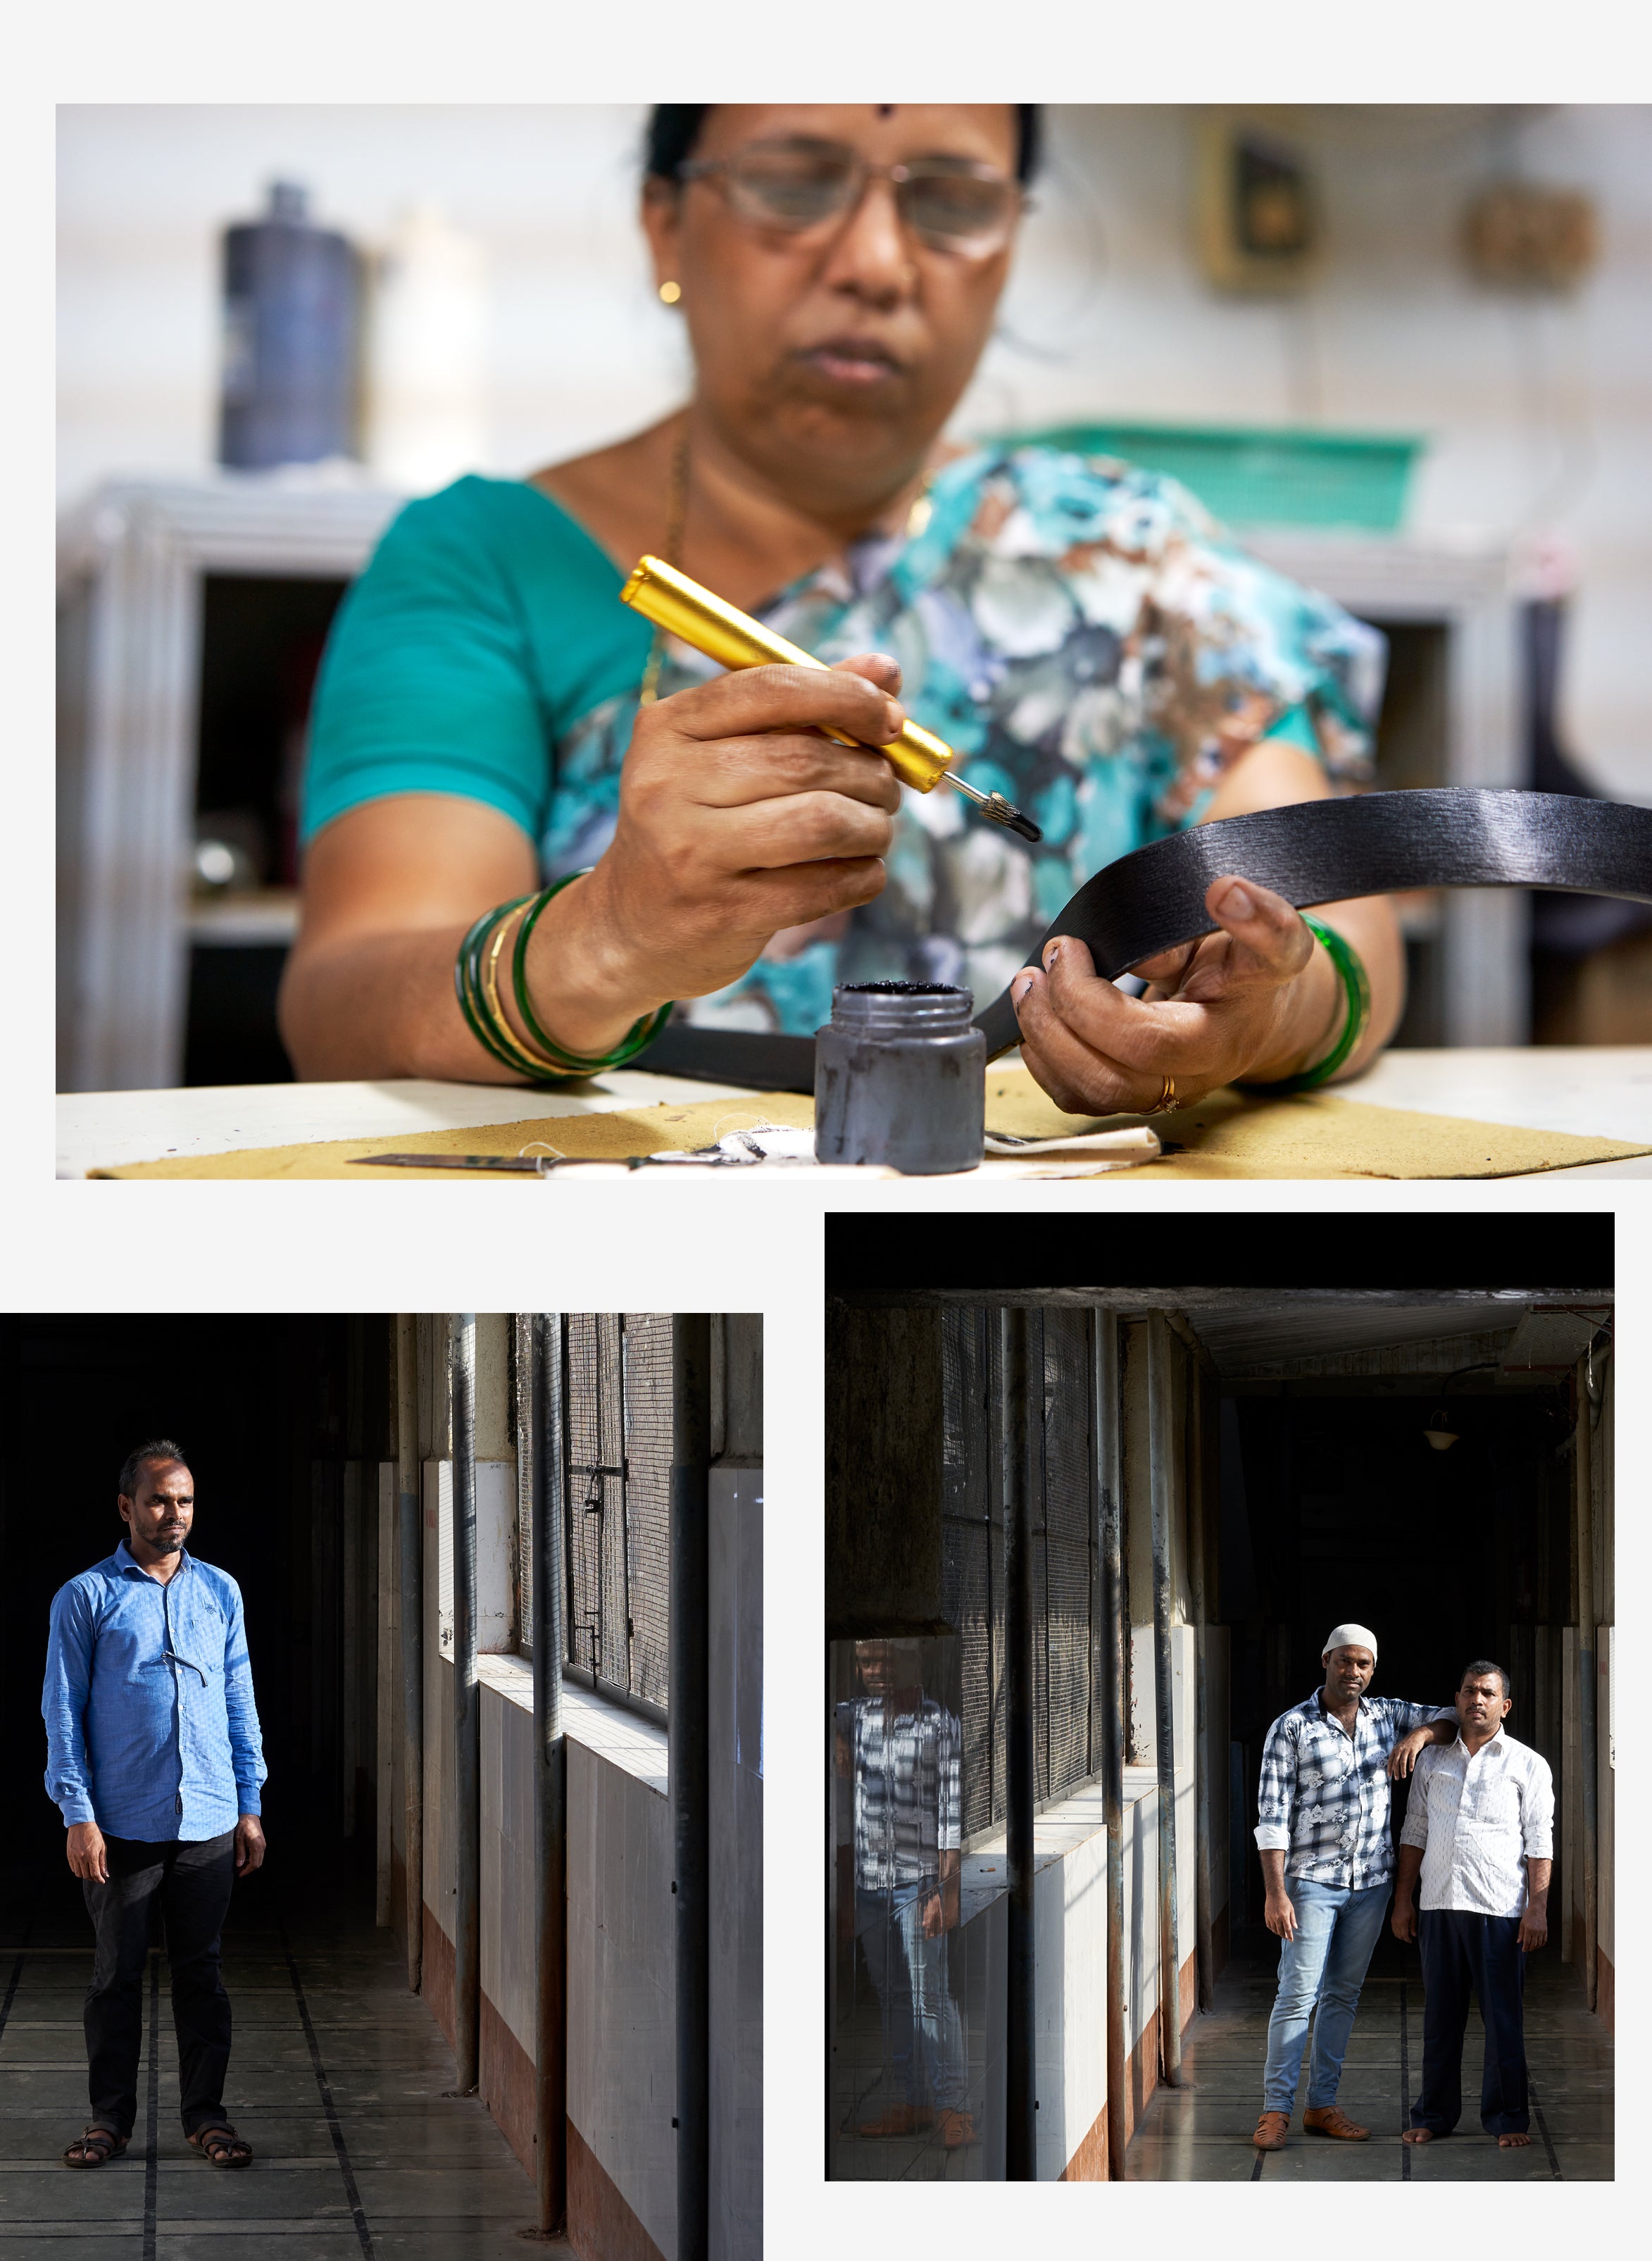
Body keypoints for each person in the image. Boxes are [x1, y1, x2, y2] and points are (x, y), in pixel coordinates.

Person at [281, 103, 1405, 1114]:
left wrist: (1261, 1013)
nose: (875, 262)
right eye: (793, 183)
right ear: (665, 226)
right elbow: (346, 997)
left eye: (953, 202)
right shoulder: (489, 561)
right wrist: (606, 939)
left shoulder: (1141, 557)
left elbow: (1344, 933)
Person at [42, 1442, 268, 2172]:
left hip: (207, 1815)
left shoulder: (221, 1592)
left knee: (202, 1973)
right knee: (116, 1977)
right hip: (121, 1825)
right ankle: (109, 2121)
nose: (175, 1515)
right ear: (127, 1507)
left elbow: (238, 1699)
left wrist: (249, 1802)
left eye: (186, 1501)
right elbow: (62, 1713)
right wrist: (78, 1814)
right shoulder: (86, 1597)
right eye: (161, 1500)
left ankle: (207, 2118)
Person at [1251, 1624, 1456, 2151]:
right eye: (1345, 1661)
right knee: (1297, 1995)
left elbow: (1452, 1718)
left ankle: (1322, 2106)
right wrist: (1276, 1892)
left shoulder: (1387, 1716)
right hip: (1310, 1884)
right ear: (1325, 1660)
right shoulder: (1291, 1728)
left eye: (1364, 1664)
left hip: (1371, 1884)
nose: (1354, 1672)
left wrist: (1418, 1735)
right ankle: (1275, 2111)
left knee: (1342, 1996)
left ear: (1373, 1669)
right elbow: (1272, 1816)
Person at [1394, 1660, 1554, 2150]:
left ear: (1504, 1705)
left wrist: (1537, 1908)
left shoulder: (1527, 1764)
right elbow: (1414, 1829)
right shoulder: (1435, 1760)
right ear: (1457, 1699)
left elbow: (1540, 1840)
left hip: (1501, 1910)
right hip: (1440, 1904)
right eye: (1468, 1691)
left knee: (1503, 2020)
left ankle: (1508, 2119)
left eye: (1487, 1693)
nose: (1476, 1700)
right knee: (1441, 2019)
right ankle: (1435, 2115)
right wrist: (1404, 1900)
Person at [836, 1646, 972, 2150]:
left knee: (929, 1997)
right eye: (868, 1662)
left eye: (887, 1660)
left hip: (920, 1884)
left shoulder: (940, 1725)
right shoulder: (856, 1717)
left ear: (915, 1661)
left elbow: (951, 1814)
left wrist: (947, 1890)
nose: (878, 1671)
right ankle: (913, 2102)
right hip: (870, 1884)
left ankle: (953, 2107)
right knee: (893, 1998)